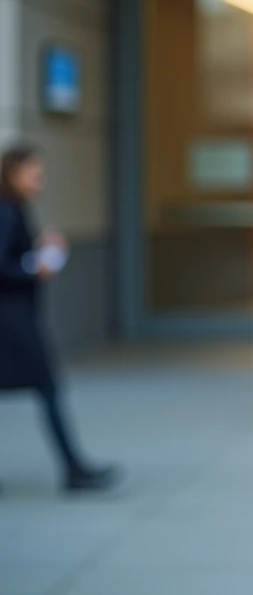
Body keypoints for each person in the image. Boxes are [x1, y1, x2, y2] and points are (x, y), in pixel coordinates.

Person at [0, 145, 119, 493]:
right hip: (11, 323)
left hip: (15, 319)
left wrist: (38, 252)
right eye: (34, 174)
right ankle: (74, 469)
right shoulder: (7, 212)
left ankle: (74, 468)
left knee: (47, 389)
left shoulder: (15, 210)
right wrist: (34, 267)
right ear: (13, 174)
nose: (40, 181)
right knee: (48, 389)